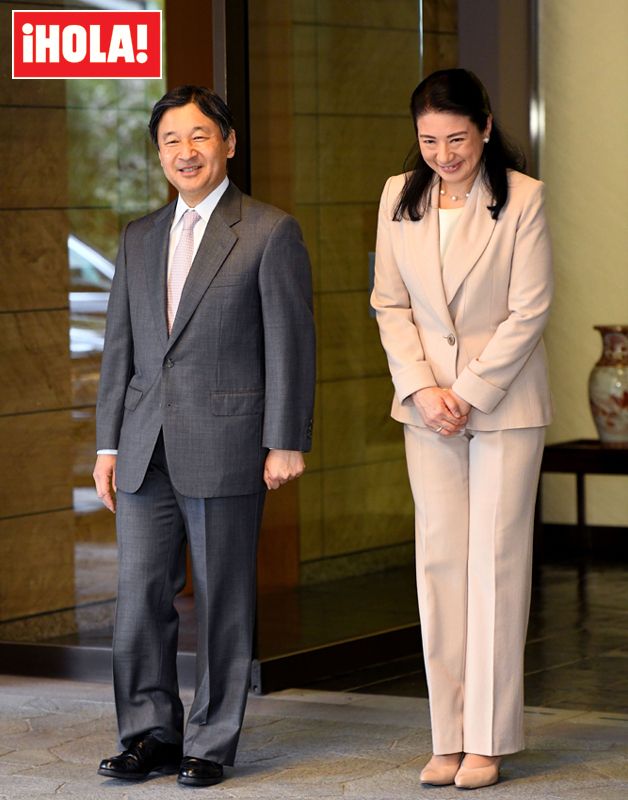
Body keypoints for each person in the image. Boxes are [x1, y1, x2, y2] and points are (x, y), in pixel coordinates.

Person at [93, 85, 315, 787]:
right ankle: (150, 732)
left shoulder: (269, 231)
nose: (185, 152)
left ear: (228, 143)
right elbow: (119, 352)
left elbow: (291, 344)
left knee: (223, 600)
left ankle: (212, 742)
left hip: (227, 441)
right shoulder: (138, 236)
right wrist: (106, 445)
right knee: (137, 599)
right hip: (142, 444)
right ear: (159, 154)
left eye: (198, 137)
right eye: (170, 141)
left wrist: (286, 440)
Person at [371, 69, 552, 790]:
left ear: (482, 125)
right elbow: (389, 304)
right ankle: (447, 736)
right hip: (427, 410)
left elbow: (530, 310)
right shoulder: (398, 195)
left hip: (503, 406)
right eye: (428, 141)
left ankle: (489, 738)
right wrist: (421, 387)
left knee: (496, 567)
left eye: (456, 138)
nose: (443, 154)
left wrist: (468, 391)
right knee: (441, 566)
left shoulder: (524, 199)